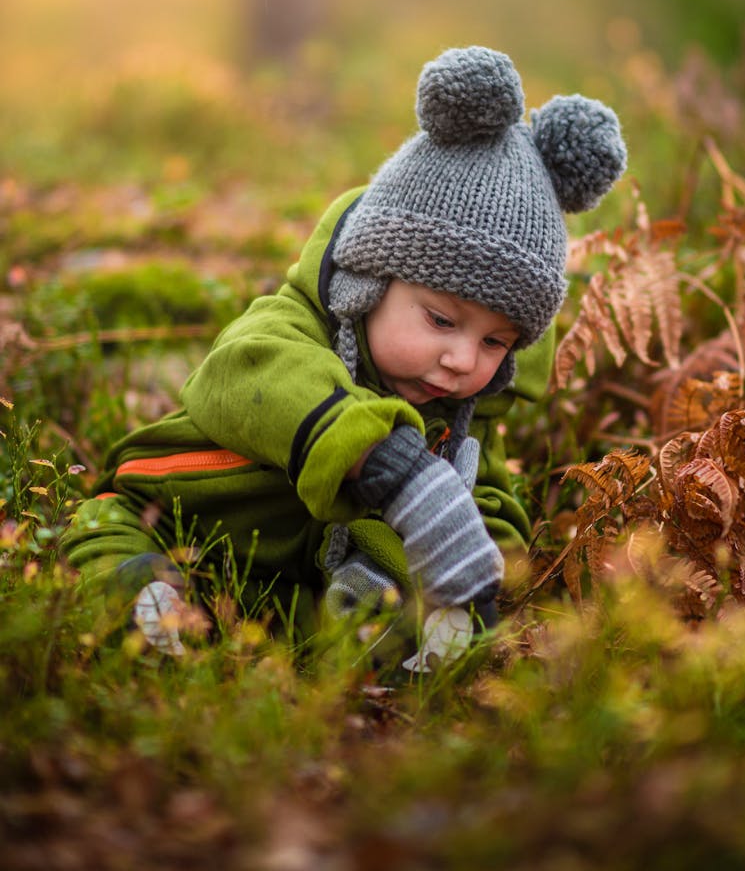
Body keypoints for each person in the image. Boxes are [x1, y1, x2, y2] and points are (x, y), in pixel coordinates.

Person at [61, 46, 626, 662]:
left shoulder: (462, 412)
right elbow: (247, 373)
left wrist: (478, 569)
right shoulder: (290, 328)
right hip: (177, 515)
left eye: (496, 342)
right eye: (441, 320)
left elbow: (485, 495)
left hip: (289, 579)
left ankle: (363, 637)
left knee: (384, 604)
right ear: (369, 283)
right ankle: (144, 600)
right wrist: (387, 461)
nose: (464, 359)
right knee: (107, 532)